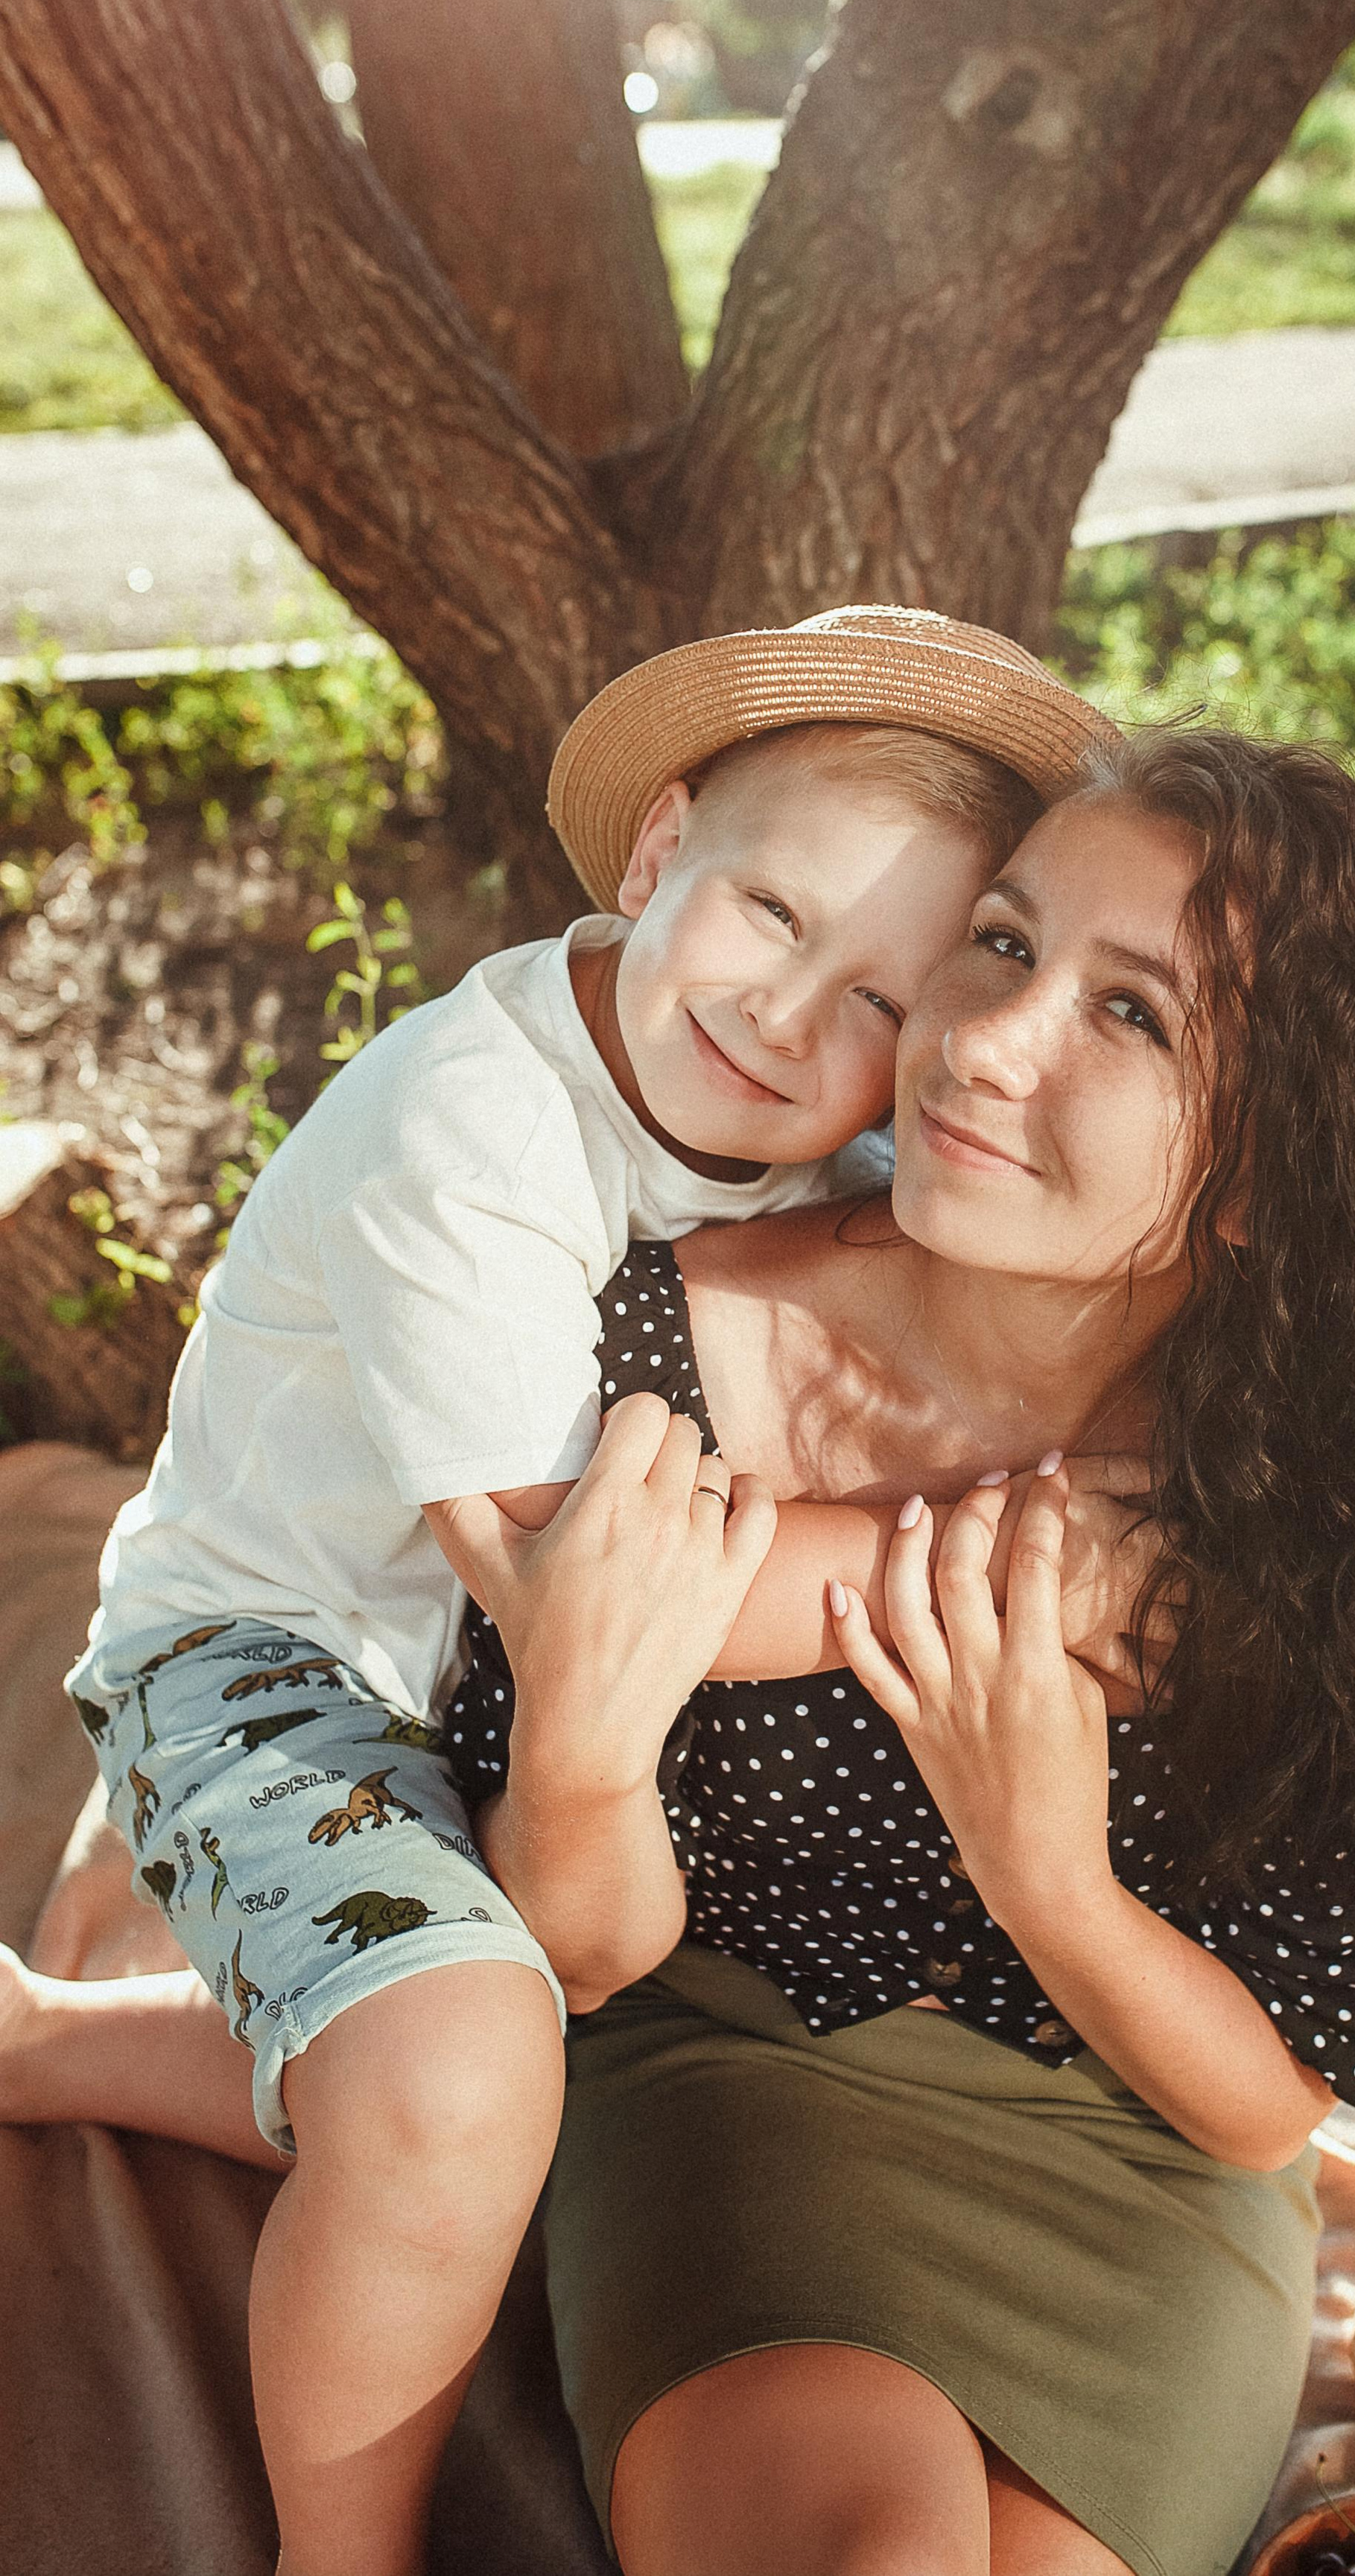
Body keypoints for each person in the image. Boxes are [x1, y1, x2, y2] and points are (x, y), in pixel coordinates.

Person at [434, 726, 1355, 2576]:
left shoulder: (1337, 1515)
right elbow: (552, 1951)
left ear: (1256, 1176)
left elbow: (1256, 2107)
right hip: (731, 2091)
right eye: (1000, 942)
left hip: (1137, 2170)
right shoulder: (640, 1353)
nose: (982, 1042)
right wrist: (947, 1572)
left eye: (1130, 1017)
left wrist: (1042, 1862)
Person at [36, 604, 1114, 2576]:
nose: (794, 1019)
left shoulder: (814, 1139)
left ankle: (42, 2041)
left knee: (582, 2034)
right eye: (771, 913)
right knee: (467, 2054)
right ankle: (338, 2555)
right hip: (283, 1658)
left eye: (882, 997)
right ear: (656, 850)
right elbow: (575, 1584)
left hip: (502, 1698)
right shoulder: (475, 1132)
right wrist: (1045, 1558)